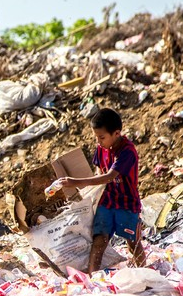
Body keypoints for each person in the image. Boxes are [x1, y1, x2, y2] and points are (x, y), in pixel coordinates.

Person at [48, 108, 145, 273]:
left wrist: (75, 182)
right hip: (107, 201)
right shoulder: (101, 149)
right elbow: (99, 172)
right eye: (96, 137)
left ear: (116, 133)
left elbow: (108, 176)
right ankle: (94, 279)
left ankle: (144, 273)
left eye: (102, 137)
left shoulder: (127, 152)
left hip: (126, 203)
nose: (99, 142)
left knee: (132, 242)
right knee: (99, 240)